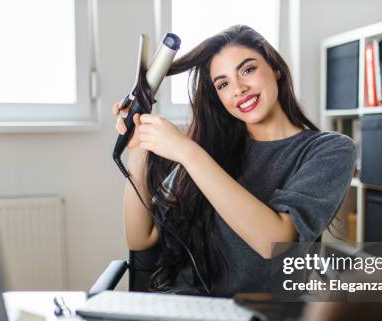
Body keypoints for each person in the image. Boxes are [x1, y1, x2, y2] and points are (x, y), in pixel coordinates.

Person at [113, 25, 356, 297]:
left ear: (275, 68)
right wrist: (138, 149)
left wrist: (188, 153)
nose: (238, 89)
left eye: (248, 70)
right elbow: (140, 239)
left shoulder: (329, 150)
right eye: (223, 84)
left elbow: (276, 242)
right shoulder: (210, 148)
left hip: (259, 320)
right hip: (184, 309)